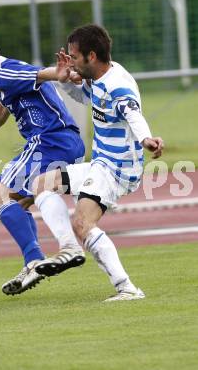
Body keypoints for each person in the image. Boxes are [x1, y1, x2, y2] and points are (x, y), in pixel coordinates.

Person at [32, 24, 164, 301]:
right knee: (42, 183)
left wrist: (146, 139)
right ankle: (69, 247)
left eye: (74, 57)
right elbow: (86, 98)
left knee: (82, 222)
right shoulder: (99, 78)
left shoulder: (118, 85)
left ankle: (127, 289)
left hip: (117, 168)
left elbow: (132, 113)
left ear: (91, 56)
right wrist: (66, 80)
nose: (71, 62)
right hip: (101, 163)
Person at [0, 38, 86, 296]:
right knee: (18, 205)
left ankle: (34, 259)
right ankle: (32, 262)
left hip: (49, 141)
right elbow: (4, 105)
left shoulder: (7, 71)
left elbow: (41, 75)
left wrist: (61, 74)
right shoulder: (5, 81)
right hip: (66, 143)